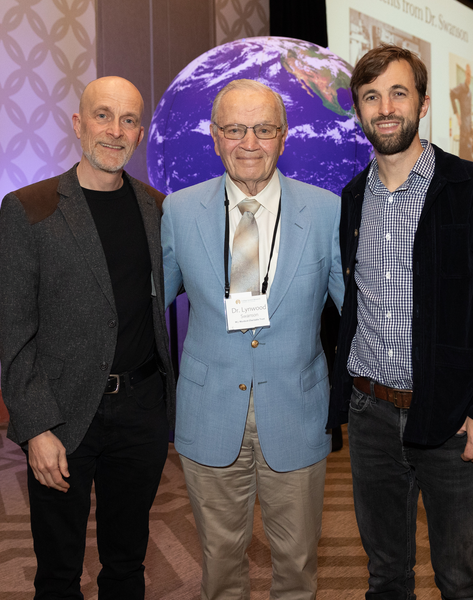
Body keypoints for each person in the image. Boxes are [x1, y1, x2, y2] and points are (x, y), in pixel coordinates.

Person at [329, 44, 473, 599]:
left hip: (454, 417)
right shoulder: (352, 197)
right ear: (360, 111)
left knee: (461, 577)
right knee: (385, 575)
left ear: (422, 102)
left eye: (399, 92)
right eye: (371, 96)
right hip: (370, 413)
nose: (386, 107)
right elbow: (353, 302)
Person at [0, 76, 175, 599]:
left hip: (141, 412)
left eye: (129, 120)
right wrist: (36, 428)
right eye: (103, 115)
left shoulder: (157, 209)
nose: (115, 131)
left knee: (127, 563)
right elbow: (14, 331)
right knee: (58, 571)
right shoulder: (29, 208)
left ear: (140, 133)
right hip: (63, 414)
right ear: (78, 124)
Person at [161, 78, 344, 600]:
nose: (249, 143)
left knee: (297, 561)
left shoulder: (326, 211)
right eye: (236, 129)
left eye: (263, 129)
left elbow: (353, 312)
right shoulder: (178, 210)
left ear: (284, 137)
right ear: (215, 137)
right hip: (209, 409)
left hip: (297, 410)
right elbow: (150, 310)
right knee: (219, 562)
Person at [450, 62, 473, 160]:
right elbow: (451, 94)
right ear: (465, 74)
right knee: (464, 157)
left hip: (468, 131)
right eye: (467, 74)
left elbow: (469, 112)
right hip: (462, 131)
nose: (469, 76)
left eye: (470, 74)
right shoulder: (461, 87)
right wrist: (457, 115)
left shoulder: (470, 92)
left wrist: (471, 129)